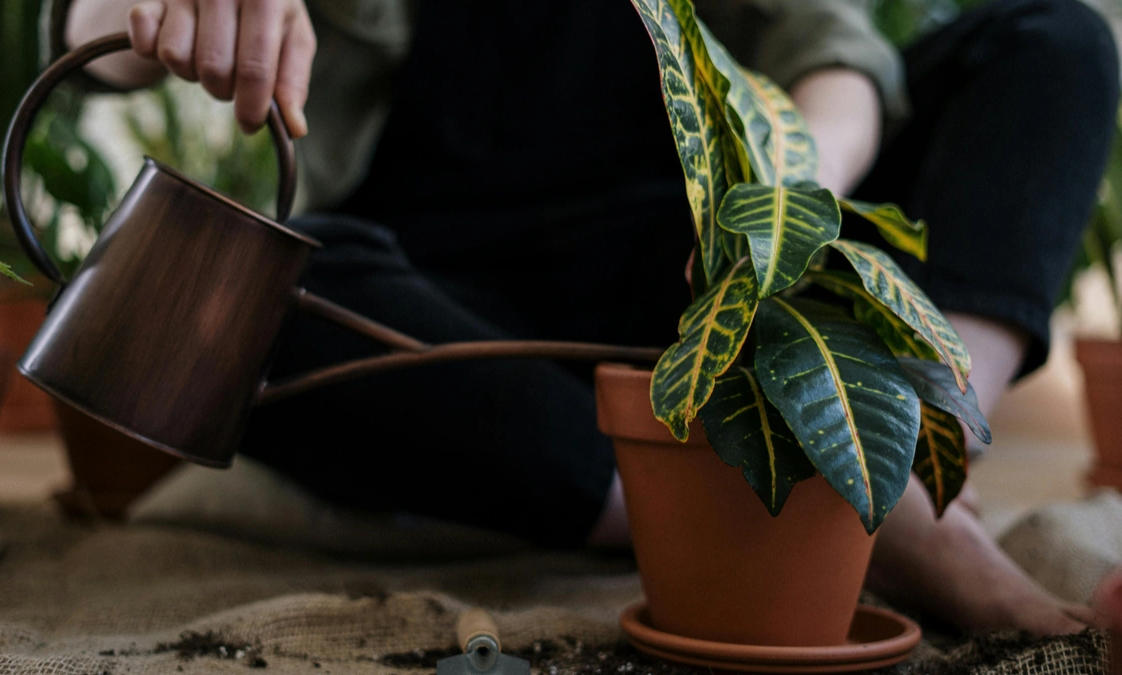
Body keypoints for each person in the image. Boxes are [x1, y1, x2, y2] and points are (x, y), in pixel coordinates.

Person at [59, 0, 1120, 636]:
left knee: (1054, 42)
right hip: (439, 290)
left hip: (703, 274)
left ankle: (926, 471)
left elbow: (834, 56)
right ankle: (726, 505)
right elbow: (90, 37)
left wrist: (779, 209)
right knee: (257, 308)